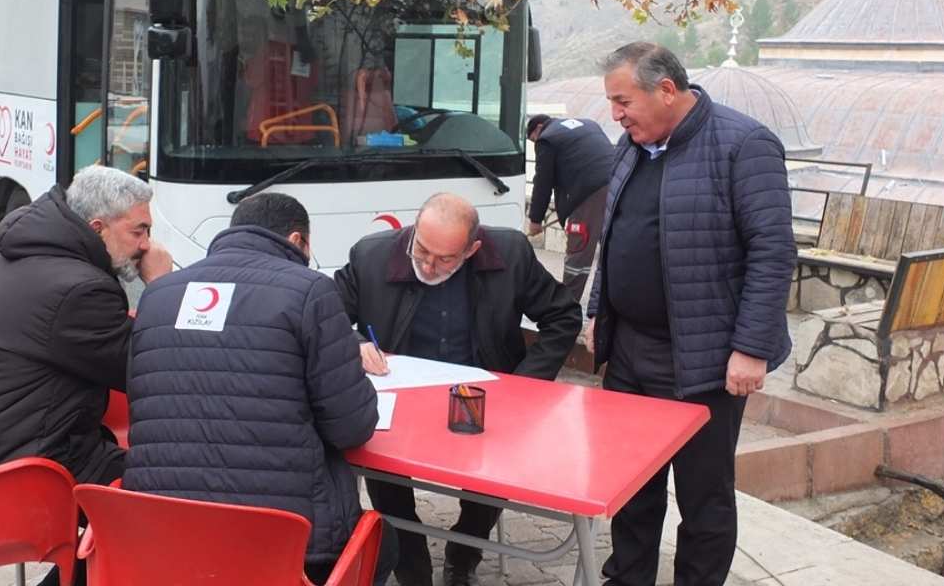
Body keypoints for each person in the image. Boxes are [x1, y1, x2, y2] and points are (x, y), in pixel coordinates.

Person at [585, 42, 795, 586]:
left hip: (704, 359)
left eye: (622, 100)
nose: (616, 114)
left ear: (667, 90)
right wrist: (597, 313)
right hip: (631, 351)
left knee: (704, 496)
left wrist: (751, 348)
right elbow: (613, 238)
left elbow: (773, 253)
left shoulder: (744, 144)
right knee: (632, 484)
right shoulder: (632, 144)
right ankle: (627, 578)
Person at [124, 193, 396, 585]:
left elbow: (145, 400)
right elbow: (351, 427)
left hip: (163, 534)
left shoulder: (158, 295)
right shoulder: (311, 291)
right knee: (385, 545)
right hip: (286, 542)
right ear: (298, 240)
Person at [334, 193, 582, 586]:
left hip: (484, 393)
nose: (429, 266)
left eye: (445, 259)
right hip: (402, 395)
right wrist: (354, 344)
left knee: (498, 469)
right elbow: (323, 319)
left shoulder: (511, 255)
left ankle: (464, 550)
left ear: (473, 250)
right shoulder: (371, 256)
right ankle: (411, 563)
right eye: (422, 251)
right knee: (378, 463)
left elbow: (563, 315)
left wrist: (524, 385)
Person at [0, 165, 172, 586]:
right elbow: (153, 368)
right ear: (97, 227)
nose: (147, 246)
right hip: (31, 472)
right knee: (173, 495)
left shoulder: (18, 257)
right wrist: (162, 288)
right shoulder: (81, 287)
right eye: (138, 232)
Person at [525, 113, 613, 302]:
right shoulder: (588, 122)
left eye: (533, 139)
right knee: (611, 248)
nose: (536, 143)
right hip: (618, 184)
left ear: (539, 128)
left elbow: (543, 182)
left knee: (578, 251)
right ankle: (609, 305)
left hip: (589, 194)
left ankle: (566, 308)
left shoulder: (547, 139)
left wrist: (535, 220)